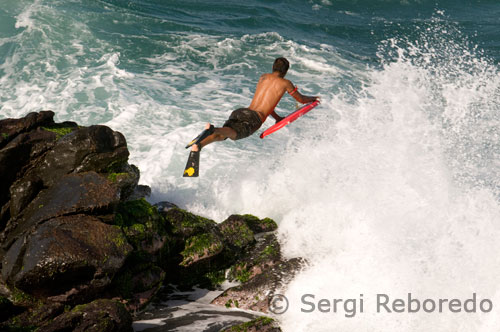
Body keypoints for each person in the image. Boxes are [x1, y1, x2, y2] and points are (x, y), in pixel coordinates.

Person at [186, 57, 319, 152]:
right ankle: (213, 129)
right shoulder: (286, 83)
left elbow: (266, 103)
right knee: (234, 134)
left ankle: (199, 146)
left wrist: (277, 118)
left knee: (225, 134)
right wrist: (314, 99)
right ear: (285, 71)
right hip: (253, 118)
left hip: (241, 112)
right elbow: (301, 99)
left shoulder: (264, 77)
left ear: (273, 67)